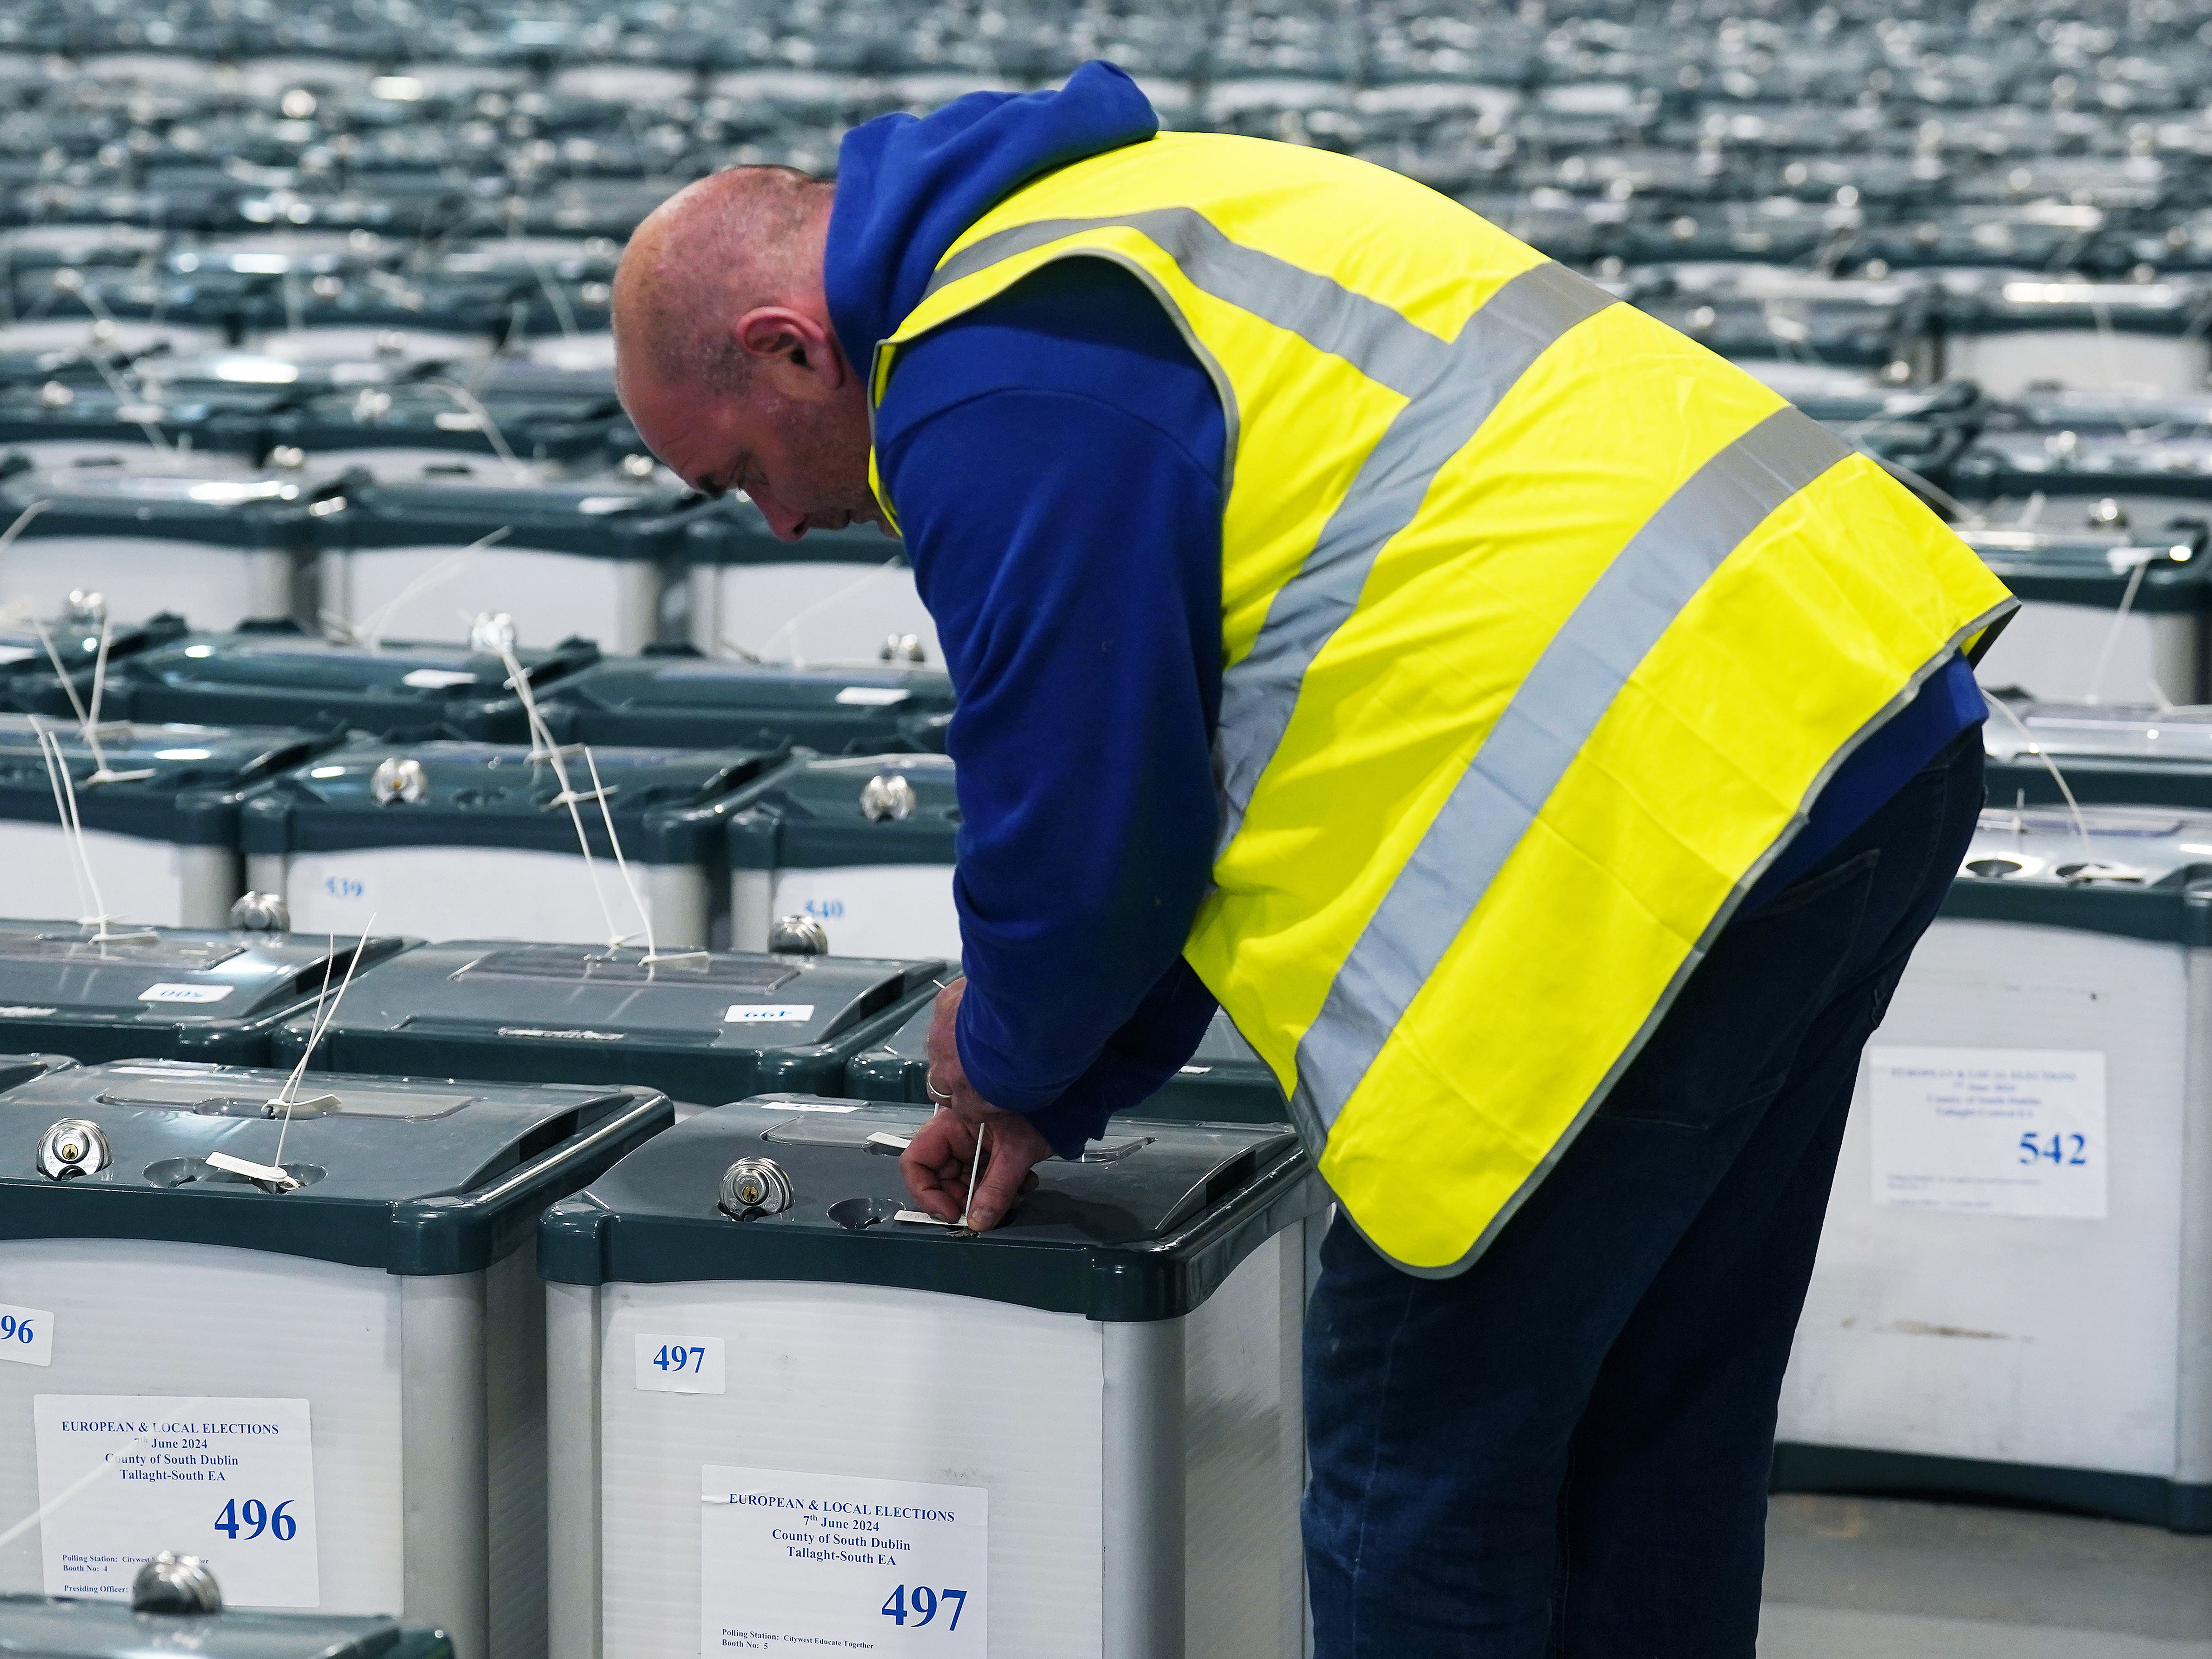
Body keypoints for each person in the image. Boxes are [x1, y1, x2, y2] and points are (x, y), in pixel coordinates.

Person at [611, 62, 2012, 1658]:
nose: (776, 528)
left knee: (1418, 1465)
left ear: (788, 351)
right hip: (1848, 716)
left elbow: (1089, 819)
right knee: (1655, 1423)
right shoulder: (1136, 218)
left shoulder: (992, 372)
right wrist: (1053, 1091)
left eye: (736, 478)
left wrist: (996, 1049)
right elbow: (1176, 772)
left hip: (1648, 841)